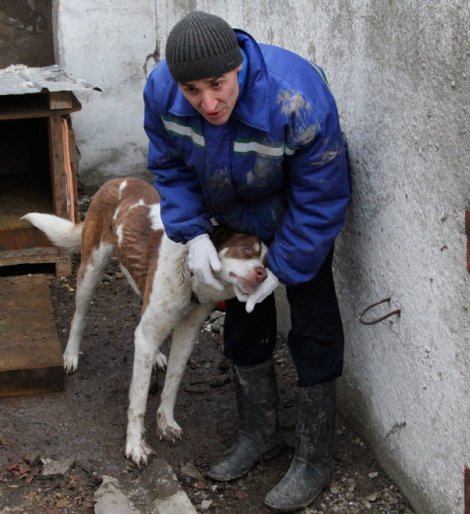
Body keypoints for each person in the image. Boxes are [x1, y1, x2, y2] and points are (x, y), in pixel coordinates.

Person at [143, 10, 350, 512]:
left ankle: (314, 456)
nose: (208, 103)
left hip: (296, 216)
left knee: (314, 325)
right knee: (242, 320)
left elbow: (322, 193)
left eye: (217, 85)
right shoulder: (162, 92)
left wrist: (284, 264)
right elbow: (169, 166)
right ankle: (259, 434)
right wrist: (192, 233)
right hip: (229, 219)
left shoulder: (294, 96)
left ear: (237, 67)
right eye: (193, 91)